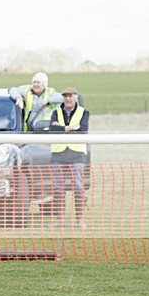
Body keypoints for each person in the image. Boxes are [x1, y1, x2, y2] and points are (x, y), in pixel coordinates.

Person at [48, 87, 90, 228]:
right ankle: (59, 220)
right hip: (58, 153)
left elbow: (83, 129)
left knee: (78, 186)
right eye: (65, 96)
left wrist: (61, 127)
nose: (68, 98)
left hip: (76, 153)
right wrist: (70, 128)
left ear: (76, 97)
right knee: (57, 188)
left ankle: (80, 220)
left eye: (70, 96)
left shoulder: (84, 112)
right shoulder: (56, 112)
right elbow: (52, 129)